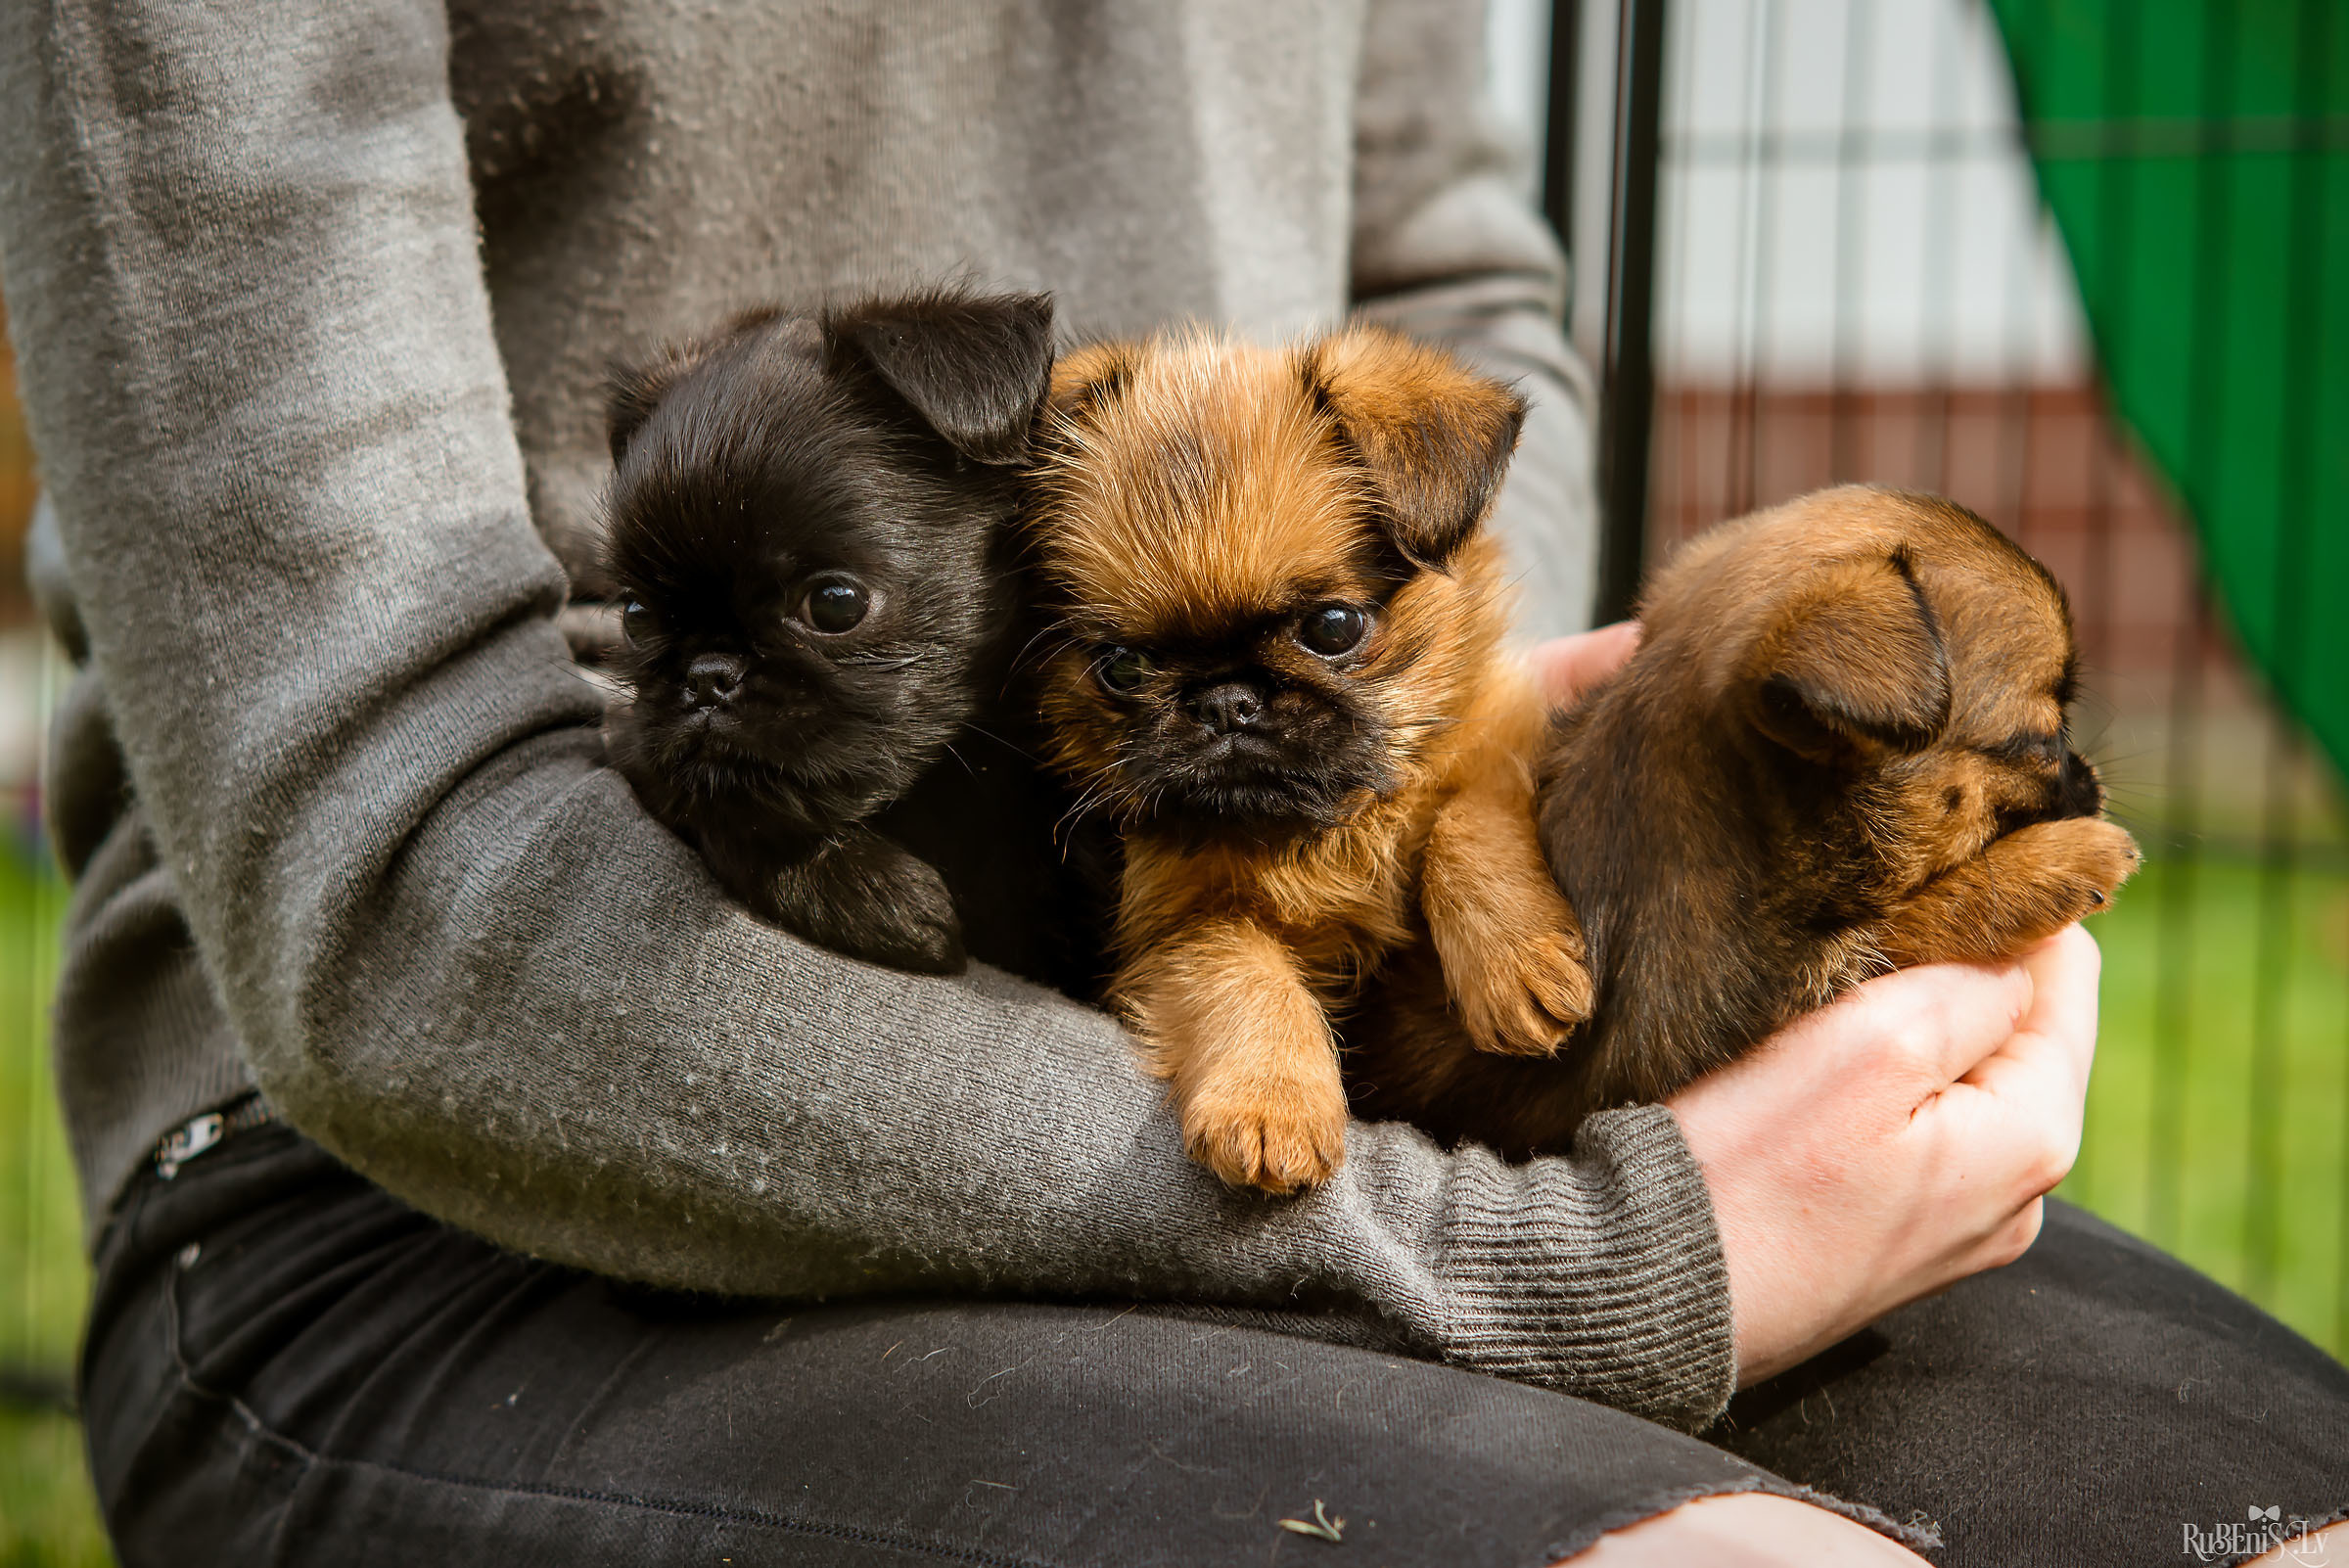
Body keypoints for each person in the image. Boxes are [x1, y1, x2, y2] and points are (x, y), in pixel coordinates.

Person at [2, 2, 2342, 1563]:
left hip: (1391, 1135)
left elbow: (1458, 278)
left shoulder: (1366, 573)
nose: (1232, 703)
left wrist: (1496, 758)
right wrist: (1578, 1261)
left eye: (1310, 633)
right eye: (1133, 658)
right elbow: (396, 864)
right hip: (447, 1212)